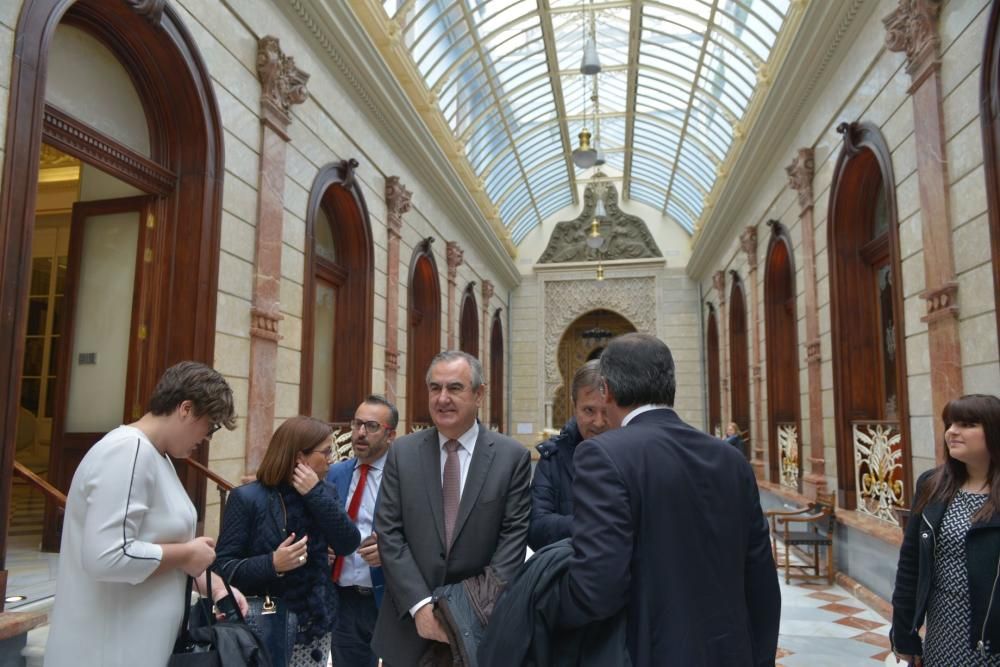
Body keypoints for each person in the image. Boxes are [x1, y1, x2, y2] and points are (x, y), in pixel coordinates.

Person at [557, 333, 781, 666]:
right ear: (670, 384)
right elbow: (762, 584)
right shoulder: (729, 458)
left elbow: (597, 589)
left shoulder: (603, 455)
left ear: (606, 390)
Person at [45, 361, 240, 666]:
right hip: (109, 649)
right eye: (211, 425)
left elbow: (151, 543)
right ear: (185, 409)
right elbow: (106, 556)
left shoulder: (153, 454)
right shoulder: (129, 451)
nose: (207, 438)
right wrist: (186, 554)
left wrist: (210, 582)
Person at [372, 350, 532, 666]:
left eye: (454, 388)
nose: (442, 398)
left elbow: (512, 543)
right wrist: (420, 607)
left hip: (482, 631)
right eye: (435, 388)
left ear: (479, 394)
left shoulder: (510, 457)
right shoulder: (403, 452)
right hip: (408, 631)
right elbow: (389, 533)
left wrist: (463, 613)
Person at [215, 416, 361, 666]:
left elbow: (348, 542)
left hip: (316, 626)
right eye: (326, 451)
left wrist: (314, 494)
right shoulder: (247, 498)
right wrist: (272, 563)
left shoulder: (325, 492)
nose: (332, 458)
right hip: (265, 626)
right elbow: (223, 568)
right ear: (299, 457)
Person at [891, 394, 1000, 666]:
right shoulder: (932, 484)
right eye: (950, 424)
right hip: (942, 634)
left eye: (966, 424)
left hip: (991, 641)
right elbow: (910, 565)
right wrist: (904, 633)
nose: (952, 432)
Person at [326, 395, 397, 667]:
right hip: (343, 599)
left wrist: (388, 550)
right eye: (356, 425)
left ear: (390, 435)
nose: (360, 433)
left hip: (388, 598)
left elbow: (428, 534)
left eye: (371, 426)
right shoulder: (336, 474)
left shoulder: (404, 476)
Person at [528, 359, 608, 550]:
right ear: (574, 406)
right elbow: (535, 527)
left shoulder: (635, 456)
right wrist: (594, 526)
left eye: (605, 412)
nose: (598, 422)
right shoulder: (553, 458)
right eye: (589, 410)